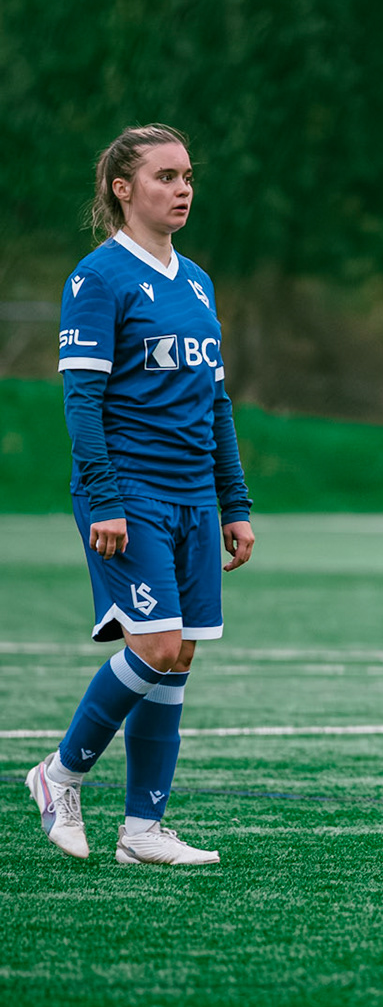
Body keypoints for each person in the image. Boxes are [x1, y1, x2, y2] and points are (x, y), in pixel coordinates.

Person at [26, 124, 255, 865]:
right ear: (123, 189)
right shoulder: (98, 278)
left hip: (194, 498)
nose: (182, 189)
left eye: (187, 176)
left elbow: (216, 404)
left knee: (178, 656)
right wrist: (104, 498)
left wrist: (234, 504)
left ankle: (142, 830)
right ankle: (59, 775)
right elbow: (82, 401)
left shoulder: (198, 282)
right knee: (152, 646)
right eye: (165, 176)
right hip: (130, 492)